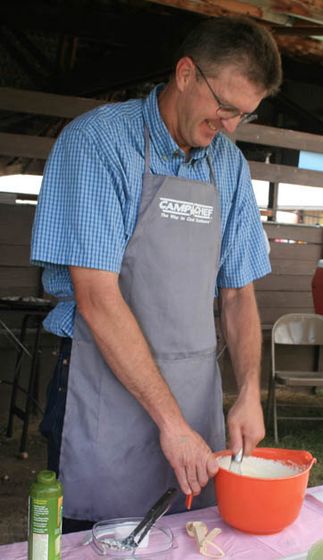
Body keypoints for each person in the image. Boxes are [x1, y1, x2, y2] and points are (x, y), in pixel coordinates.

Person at [31, 16, 282, 530]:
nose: (231, 126)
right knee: (100, 538)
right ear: (186, 74)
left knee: (188, 535)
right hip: (102, 388)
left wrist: (250, 393)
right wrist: (171, 424)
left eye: (245, 115)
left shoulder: (228, 165)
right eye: (226, 107)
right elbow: (97, 297)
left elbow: (238, 293)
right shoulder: (100, 143)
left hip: (194, 392)